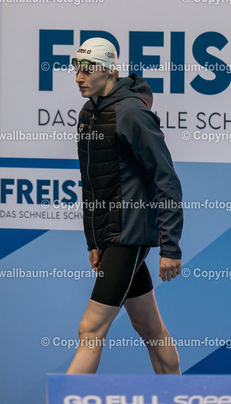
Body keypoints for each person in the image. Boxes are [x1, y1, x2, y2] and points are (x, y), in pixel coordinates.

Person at [67, 37, 183, 374]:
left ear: (110, 71)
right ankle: (177, 392)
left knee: (90, 329)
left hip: (129, 234)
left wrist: (170, 247)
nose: (79, 77)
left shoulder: (131, 112)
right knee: (149, 327)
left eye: (88, 69)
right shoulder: (89, 113)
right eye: (76, 68)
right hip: (111, 236)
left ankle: (63, 398)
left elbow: (166, 178)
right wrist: (94, 240)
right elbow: (91, 183)